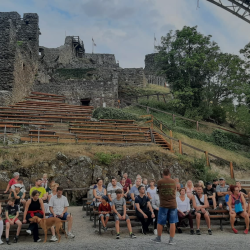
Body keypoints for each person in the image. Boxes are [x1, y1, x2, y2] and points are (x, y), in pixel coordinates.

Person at [151, 169, 177, 244]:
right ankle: (171, 240)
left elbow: (158, 192)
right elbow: (175, 192)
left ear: (163, 174)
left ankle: (158, 238)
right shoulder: (173, 182)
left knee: (160, 222)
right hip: (173, 204)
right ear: (170, 174)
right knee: (172, 222)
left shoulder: (160, 182)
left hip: (163, 204)